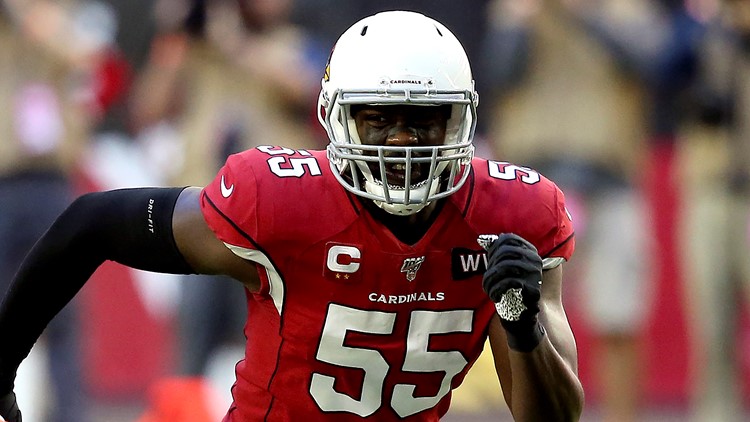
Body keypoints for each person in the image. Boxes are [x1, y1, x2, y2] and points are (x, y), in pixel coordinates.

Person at [0, 10, 584, 421]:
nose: (402, 144)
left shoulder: (512, 216)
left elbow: (555, 416)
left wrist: (521, 324)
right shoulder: (281, 200)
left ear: (461, 123)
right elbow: (91, 222)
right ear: (335, 119)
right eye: (378, 120)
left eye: (424, 120)